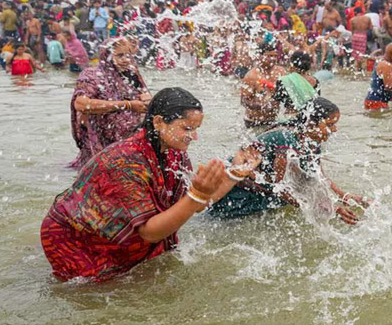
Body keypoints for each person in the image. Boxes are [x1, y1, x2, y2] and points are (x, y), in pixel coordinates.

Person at [41, 87, 261, 282]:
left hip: (122, 236)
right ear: (157, 122)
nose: (194, 137)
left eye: (196, 129)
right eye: (187, 128)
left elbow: (194, 204)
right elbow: (149, 233)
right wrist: (196, 193)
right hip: (78, 243)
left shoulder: (173, 152)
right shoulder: (124, 162)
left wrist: (234, 175)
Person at [208, 97, 369, 224]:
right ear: (311, 123)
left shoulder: (313, 140)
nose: (335, 129)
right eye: (330, 124)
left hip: (262, 195)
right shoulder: (286, 140)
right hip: (236, 197)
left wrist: (344, 196)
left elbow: (318, 176)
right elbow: (281, 189)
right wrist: (329, 209)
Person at [70, 37, 151, 169]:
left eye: (128, 55)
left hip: (127, 141)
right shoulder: (92, 75)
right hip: (99, 142)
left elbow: (145, 94)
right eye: (120, 55)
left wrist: (147, 101)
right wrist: (128, 105)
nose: (126, 59)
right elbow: (81, 104)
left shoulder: (131, 73)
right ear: (106, 56)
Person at [241, 42, 286, 129]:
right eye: (269, 56)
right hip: (254, 122)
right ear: (259, 56)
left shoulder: (281, 72)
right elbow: (243, 100)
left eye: (274, 56)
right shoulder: (252, 76)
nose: (273, 59)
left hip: (274, 120)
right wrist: (260, 106)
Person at [273, 51, 319, 115]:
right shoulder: (315, 81)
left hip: (291, 118)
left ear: (292, 64)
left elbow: (276, 105)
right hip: (309, 117)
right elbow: (317, 102)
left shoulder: (284, 80)